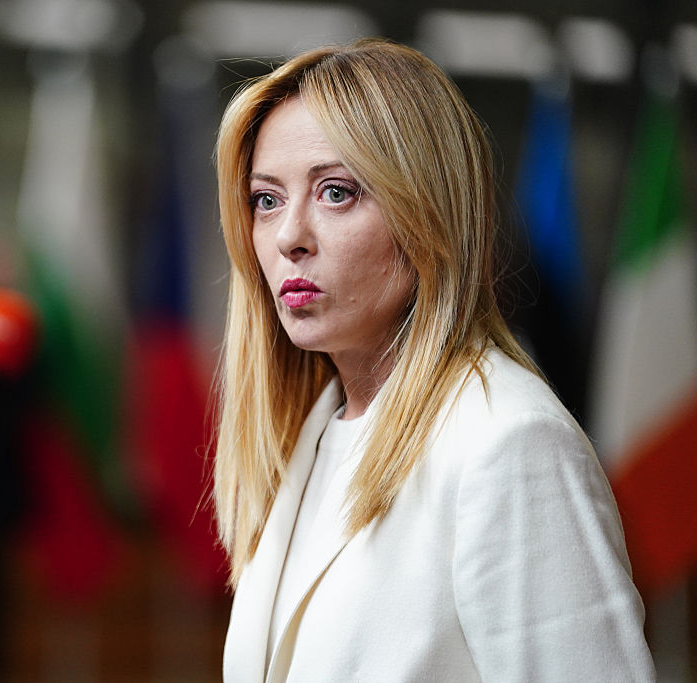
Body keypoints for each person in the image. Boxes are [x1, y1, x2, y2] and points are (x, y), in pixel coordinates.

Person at [211, 39, 655, 681]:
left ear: (427, 213)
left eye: (335, 192)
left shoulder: (509, 442)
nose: (288, 237)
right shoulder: (307, 435)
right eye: (267, 199)